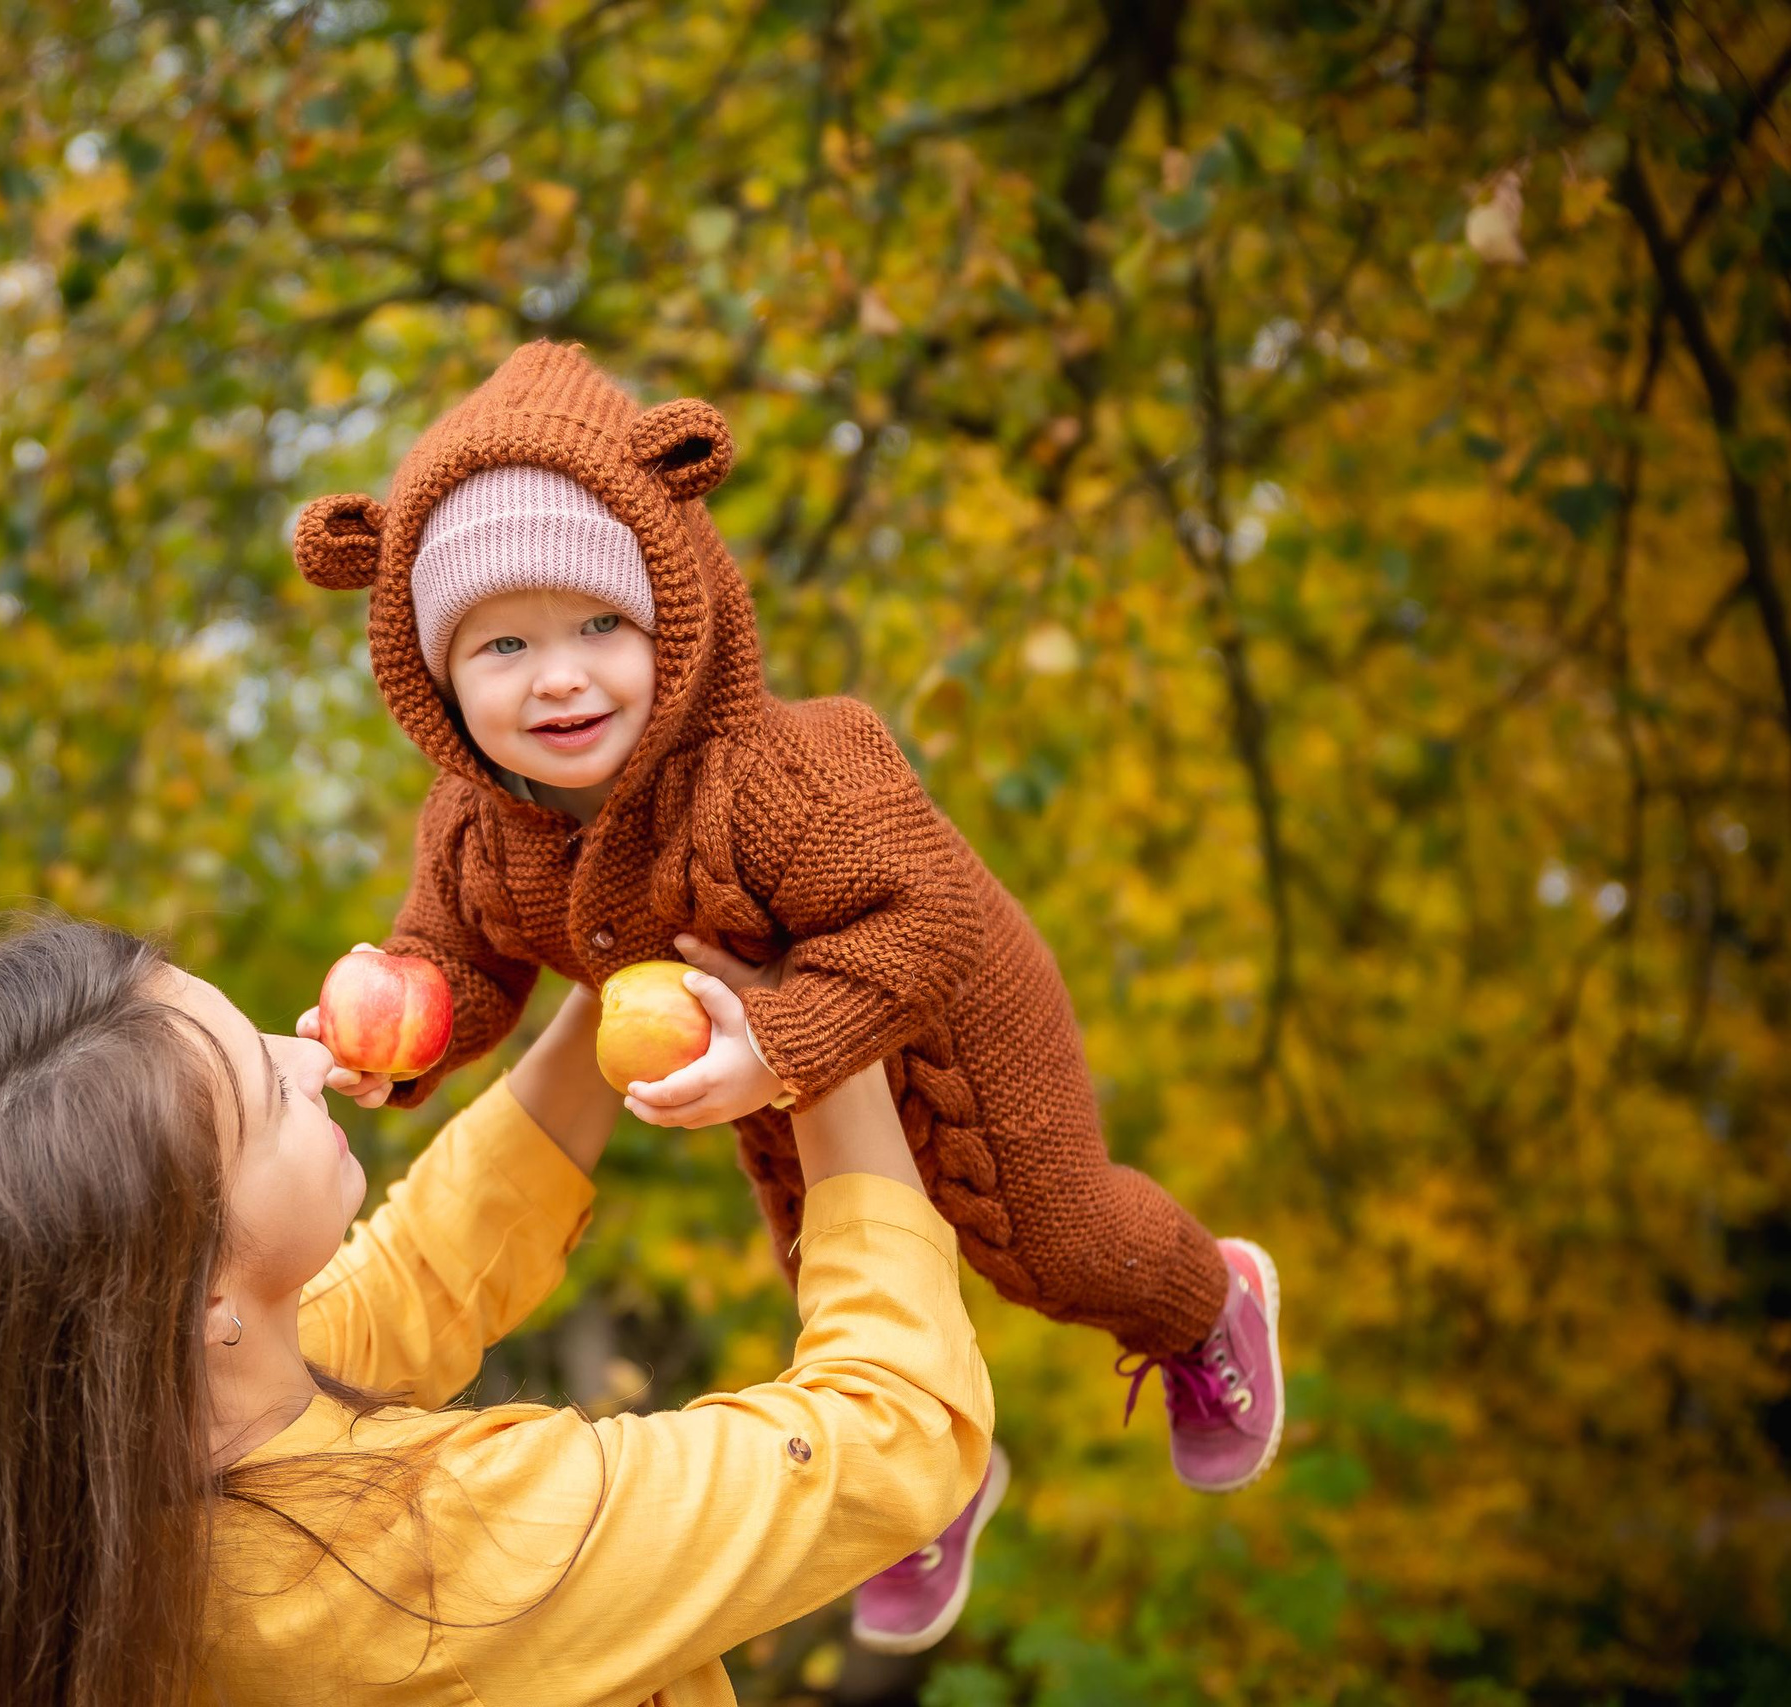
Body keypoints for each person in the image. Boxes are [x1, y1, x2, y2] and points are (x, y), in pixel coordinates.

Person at [289, 341, 1283, 1650]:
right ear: (434, 675)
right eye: (504, 644)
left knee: (1052, 1242)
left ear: (673, 610)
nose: (562, 675)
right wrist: (404, 1018)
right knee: (832, 1282)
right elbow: (465, 956)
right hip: (747, 1047)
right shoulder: (477, 827)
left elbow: (920, 912)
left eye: (602, 622)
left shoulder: (789, 771)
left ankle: (1208, 1300)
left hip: (940, 1001)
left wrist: (793, 1036)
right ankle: (928, 1475)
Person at [0, 917, 992, 1707]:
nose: (307, 1053)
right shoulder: (436, 1560)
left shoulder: (100, 1475)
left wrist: (613, 974)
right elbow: (896, 1435)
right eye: (263, 1095)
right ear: (195, 1290)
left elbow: (424, 1272)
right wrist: (822, 1046)